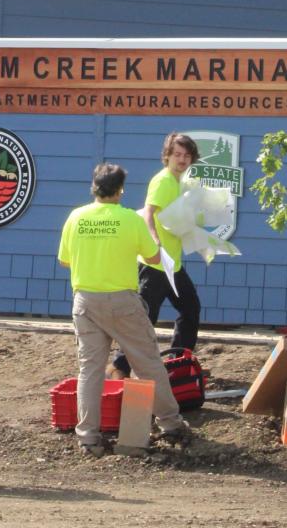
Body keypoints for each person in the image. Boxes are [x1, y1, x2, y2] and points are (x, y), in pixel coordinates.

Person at [58, 162, 191, 456]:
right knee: (147, 362)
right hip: (122, 301)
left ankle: (88, 438)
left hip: (85, 302)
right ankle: (171, 424)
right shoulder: (131, 220)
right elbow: (154, 257)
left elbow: (65, 260)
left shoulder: (75, 217)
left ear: (94, 187)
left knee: (89, 370)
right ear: (120, 190)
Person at [111, 132, 201, 378]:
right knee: (143, 320)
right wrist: (153, 239)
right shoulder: (162, 181)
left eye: (186, 155)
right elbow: (148, 213)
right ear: (167, 156)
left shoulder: (182, 182)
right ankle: (120, 367)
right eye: (177, 155)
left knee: (190, 308)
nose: (182, 160)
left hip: (172, 264)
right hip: (155, 265)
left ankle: (179, 364)